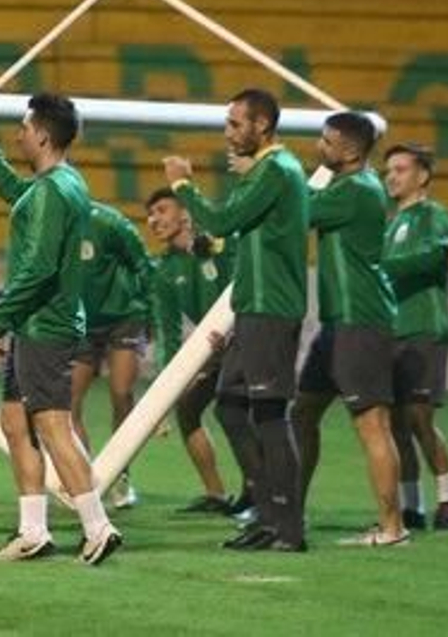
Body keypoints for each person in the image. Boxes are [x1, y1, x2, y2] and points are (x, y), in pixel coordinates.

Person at [0, 93, 122, 566]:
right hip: (41, 323)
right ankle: (33, 531)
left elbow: (38, 268)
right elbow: (14, 194)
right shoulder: (63, 185)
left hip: (44, 324)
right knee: (15, 422)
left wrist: (2, 316)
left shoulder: (53, 191)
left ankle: (98, 526)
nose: (18, 133)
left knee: (53, 423)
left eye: (22, 126)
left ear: (41, 133)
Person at [164, 87, 309, 553]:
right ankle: (265, 512)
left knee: (269, 413)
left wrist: (184, 186)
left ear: (261, 125)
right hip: (252, 306)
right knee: (229, 402)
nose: (227, 133)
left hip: (271, 307)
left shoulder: (278, 169)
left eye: (234, 123)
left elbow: (222, 222)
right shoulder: (267, 171)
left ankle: (287, 526)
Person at [291, 112, 408, 547]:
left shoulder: (356, 190)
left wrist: (306, 174)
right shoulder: (351, 185)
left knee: (372, 425)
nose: (318, 147)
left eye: (326, 142)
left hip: (362, 321)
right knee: (302, 411)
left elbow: (296, 209)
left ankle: (393, 528)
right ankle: (292, 513)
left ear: (351, 151)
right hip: (338, 323)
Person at [382, 142, 448, 531]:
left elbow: (432, 258)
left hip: (423, 326)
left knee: (419, 417)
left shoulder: (436, 215)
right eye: (388, 171)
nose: (391, 177)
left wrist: (378, 266)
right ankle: (411, 506)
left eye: (400, 169)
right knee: (397, 422)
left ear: (423, 176)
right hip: (392, 330)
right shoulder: (391, 223)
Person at [145, 186, 241, 515]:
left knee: (242, 413)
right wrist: (164, 390)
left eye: (161, 210)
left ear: (185, 213)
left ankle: (265, 497)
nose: (152, 220)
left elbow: (249, 280)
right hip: (217, 350)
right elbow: (166, 334)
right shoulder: (164, 272)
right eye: (151, 214)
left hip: (252, 337)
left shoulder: (222, 242)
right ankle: (217, 495)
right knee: (188, 409)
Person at [71, 199, 152, 510]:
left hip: (124, 317)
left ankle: (121, 477)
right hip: (81, 324)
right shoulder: (50, 226)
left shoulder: (108, 222)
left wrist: (147, 312)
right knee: (69, 403)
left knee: (121, 393)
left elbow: (143, 264)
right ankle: (87, 480)